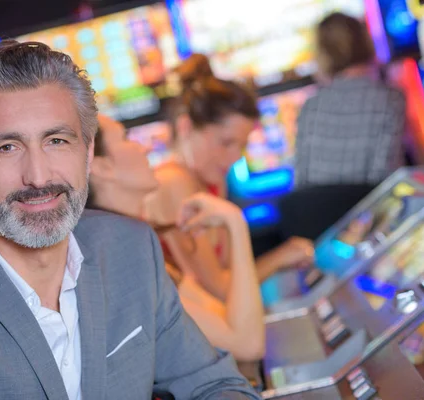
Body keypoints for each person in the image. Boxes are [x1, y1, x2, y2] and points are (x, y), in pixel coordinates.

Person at [0, 41, 260, 400]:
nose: (38, 176)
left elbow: (212, 384)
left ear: (86, 154)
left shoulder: (131, 248)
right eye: (7, 147)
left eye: (57, 141)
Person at [88, 115, 265, 361]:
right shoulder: (123, 259)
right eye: (126, 138)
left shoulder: (136, 242)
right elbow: (248, 344)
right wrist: (235, 222)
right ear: (101, 166)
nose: (146, 146)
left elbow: (231, 320)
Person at [145, 55, 314, 302]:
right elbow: (218, 292)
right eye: (226, 143)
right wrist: (281, 257)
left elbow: (230, 276)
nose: (235, 157)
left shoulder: (211, 181)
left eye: (242, 146)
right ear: (186, 127)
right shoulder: (172, 182)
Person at [294, 12, 406, 188]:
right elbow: (384, 179)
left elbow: (301, 184)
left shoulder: (310, 106)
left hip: (319, 213)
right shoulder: (390, 99)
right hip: (369, 210)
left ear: (323, 53)